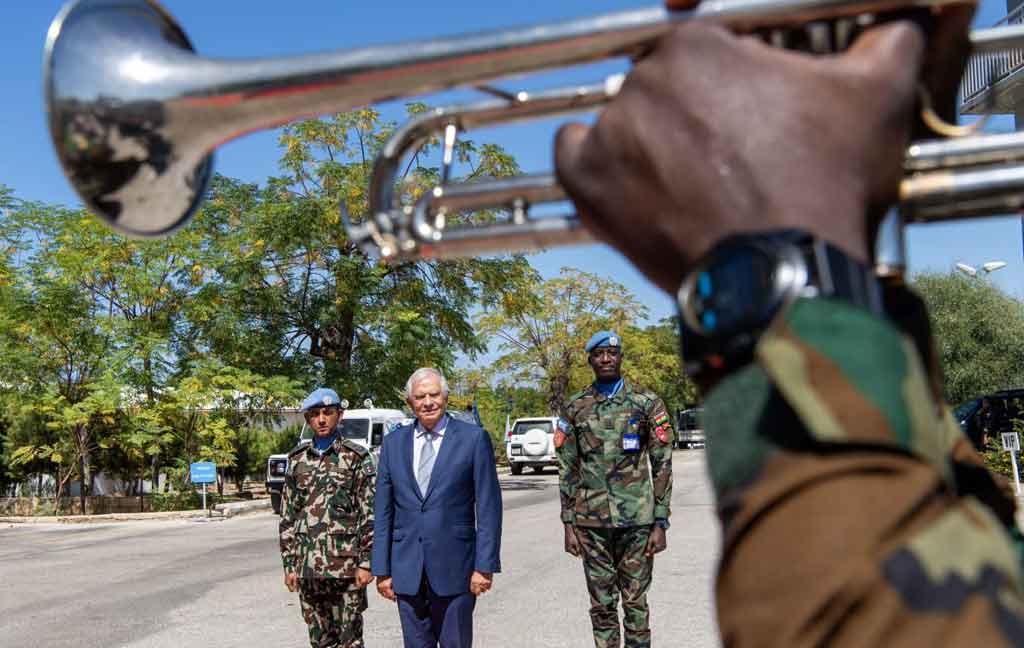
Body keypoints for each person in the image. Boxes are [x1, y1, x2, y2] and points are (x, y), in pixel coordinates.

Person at [553, 0, 1024, 644]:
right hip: (597, 515)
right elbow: (968, 557)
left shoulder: (643, 400)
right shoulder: (578, 408)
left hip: (634, 515)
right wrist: (846, 252)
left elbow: (865, 611)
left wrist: (766, 277)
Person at [557, 331, 674, 648]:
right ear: (590, 360)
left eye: (612, 353)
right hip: (591, 525)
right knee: (601, 605)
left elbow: (661, 463)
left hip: (637, 522)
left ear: (621, 357)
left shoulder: (646, 403)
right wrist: (568, 524)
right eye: (599, 354)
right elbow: (567, 467)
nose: (606, 359)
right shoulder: (575, 408)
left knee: (636, 603)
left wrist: (660, 522)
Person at [371, 367, 502, 648]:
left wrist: (485, 566)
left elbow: (489, 507)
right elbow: (382, 512)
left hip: (457, 570)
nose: (428, 402)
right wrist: (381, 569)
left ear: (445, 397)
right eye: (420, 396)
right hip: (407, 570)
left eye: (434, 394)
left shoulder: (473, 439)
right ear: (410, 403)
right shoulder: (393, 444)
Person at [279, 388, 376, 648]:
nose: (321, 419)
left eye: (328, 413)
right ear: (308, 419)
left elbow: (369, 514)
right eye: (314, 414)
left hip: (346, 569)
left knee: (350, 641)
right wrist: (290, 565)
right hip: (308, 569)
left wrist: (366, 563)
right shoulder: (297, 460)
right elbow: (288, 516)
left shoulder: (355, 458)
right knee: (320, 641)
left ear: (339, 415)